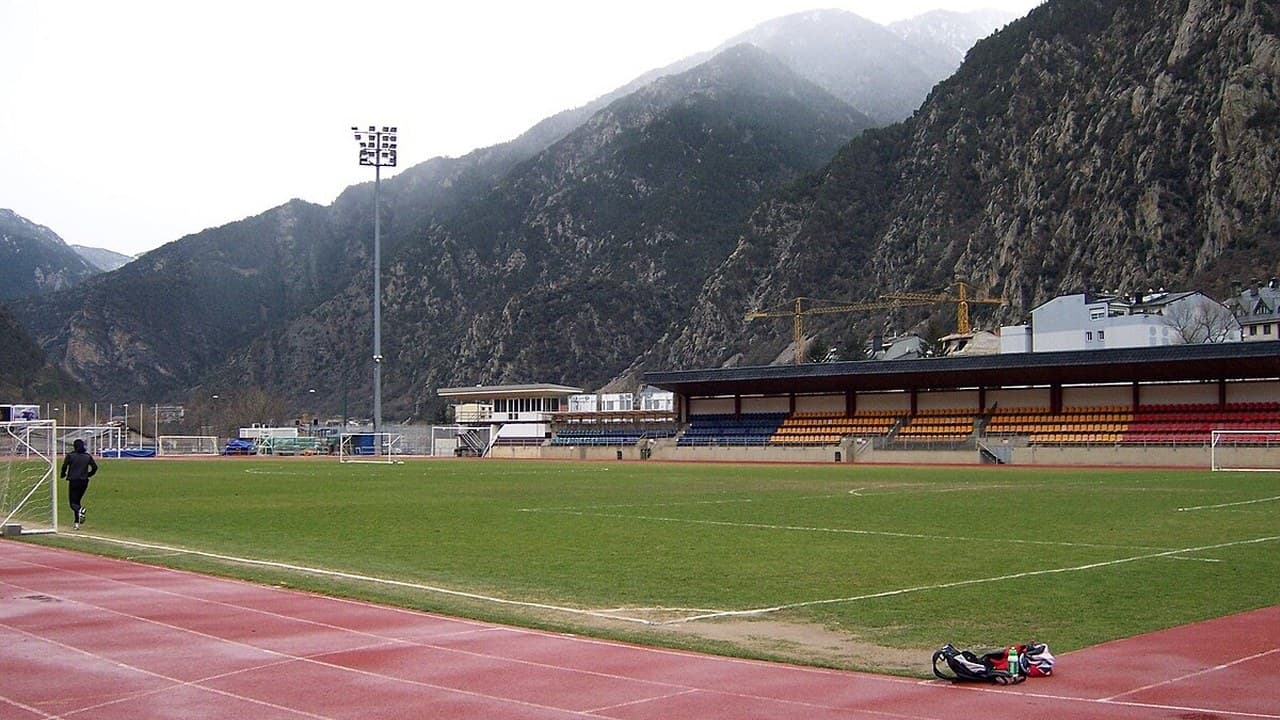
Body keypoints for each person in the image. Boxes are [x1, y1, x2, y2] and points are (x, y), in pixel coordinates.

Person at [60, 438, 98, 530]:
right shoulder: (87, 456)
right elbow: (95, 467)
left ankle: (80, 510)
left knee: (73, 503)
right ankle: (76, 523)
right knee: (77, 501)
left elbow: (64, 466)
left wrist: (63, 474)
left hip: (74, 481)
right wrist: (88, 474)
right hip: (84, 481)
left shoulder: (71, 456)